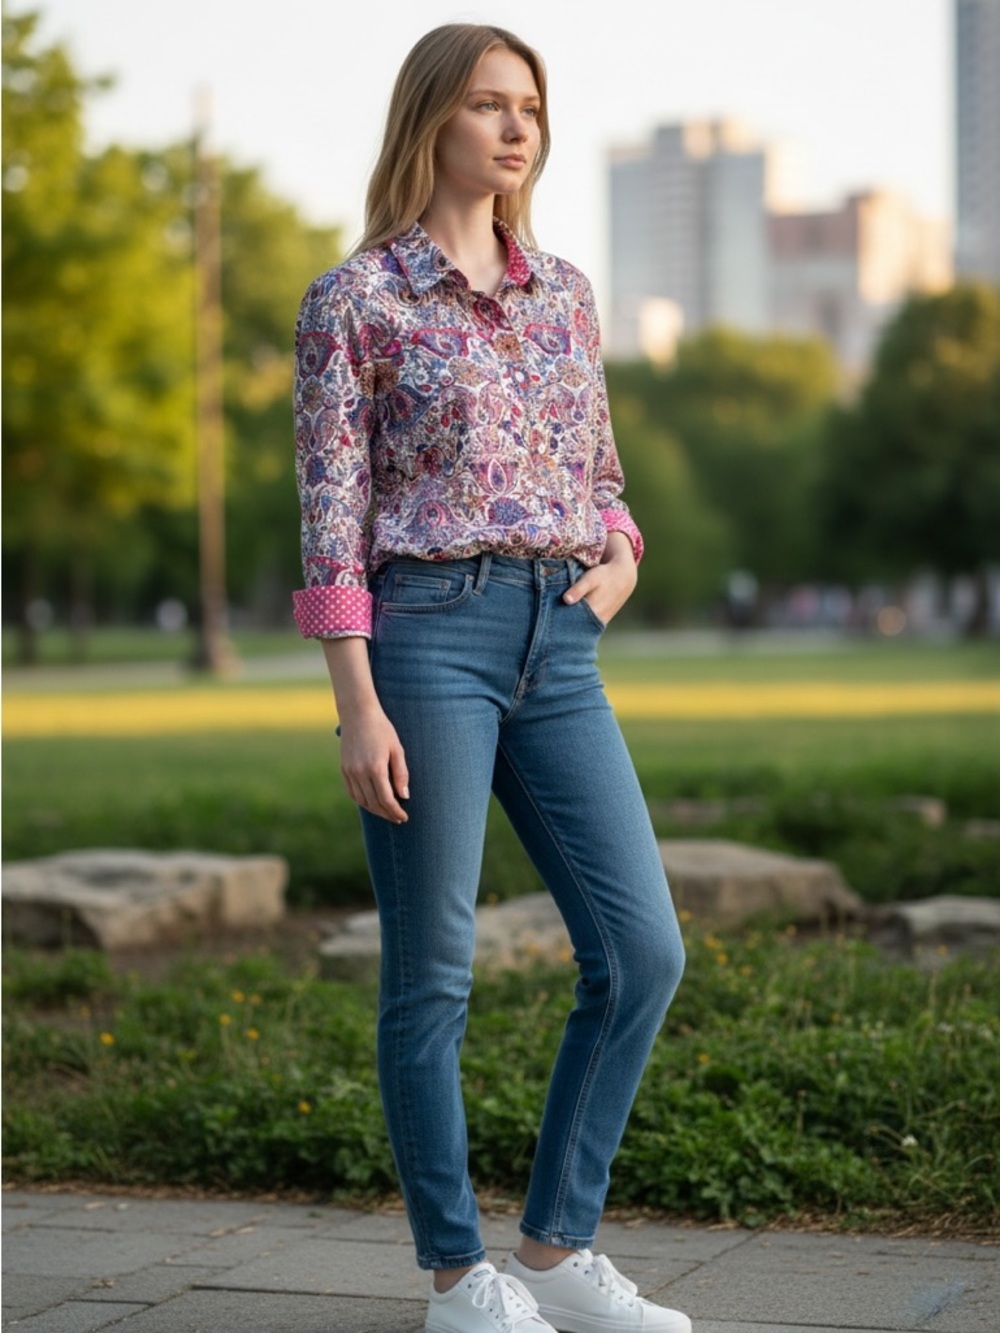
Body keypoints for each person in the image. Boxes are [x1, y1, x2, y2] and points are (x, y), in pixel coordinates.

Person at [292, 23, 690, 1333]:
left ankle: (561, 1246)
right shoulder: (356, 301)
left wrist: (619, 560)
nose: (516, 129)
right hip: (424, 640)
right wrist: (357, 699)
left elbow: (606, 478)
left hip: (558, 638)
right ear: (432, 123)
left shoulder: (566, 293)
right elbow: (333, 515)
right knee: (435, 973)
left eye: (529, 107)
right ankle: (460, 1278)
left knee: (640, 949)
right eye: (486, 106)